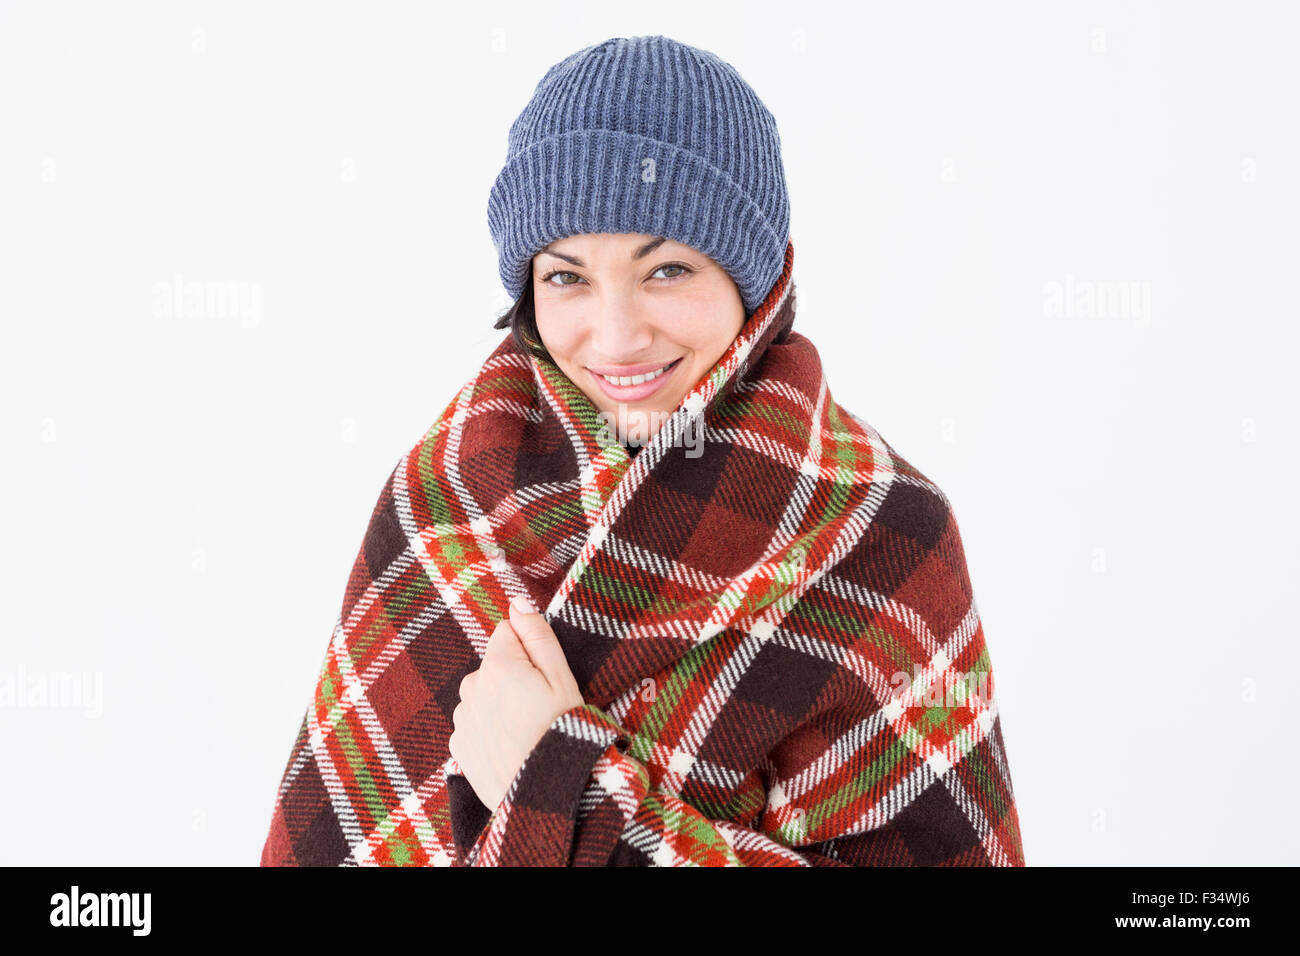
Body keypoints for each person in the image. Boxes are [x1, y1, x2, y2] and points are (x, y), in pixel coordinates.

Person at [260, 34, 1026, 866]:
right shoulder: (448, 491)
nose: (617, 338)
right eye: (567, 277)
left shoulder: (886, 536)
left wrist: (556, 785)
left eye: (666, 271)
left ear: (755, 280)